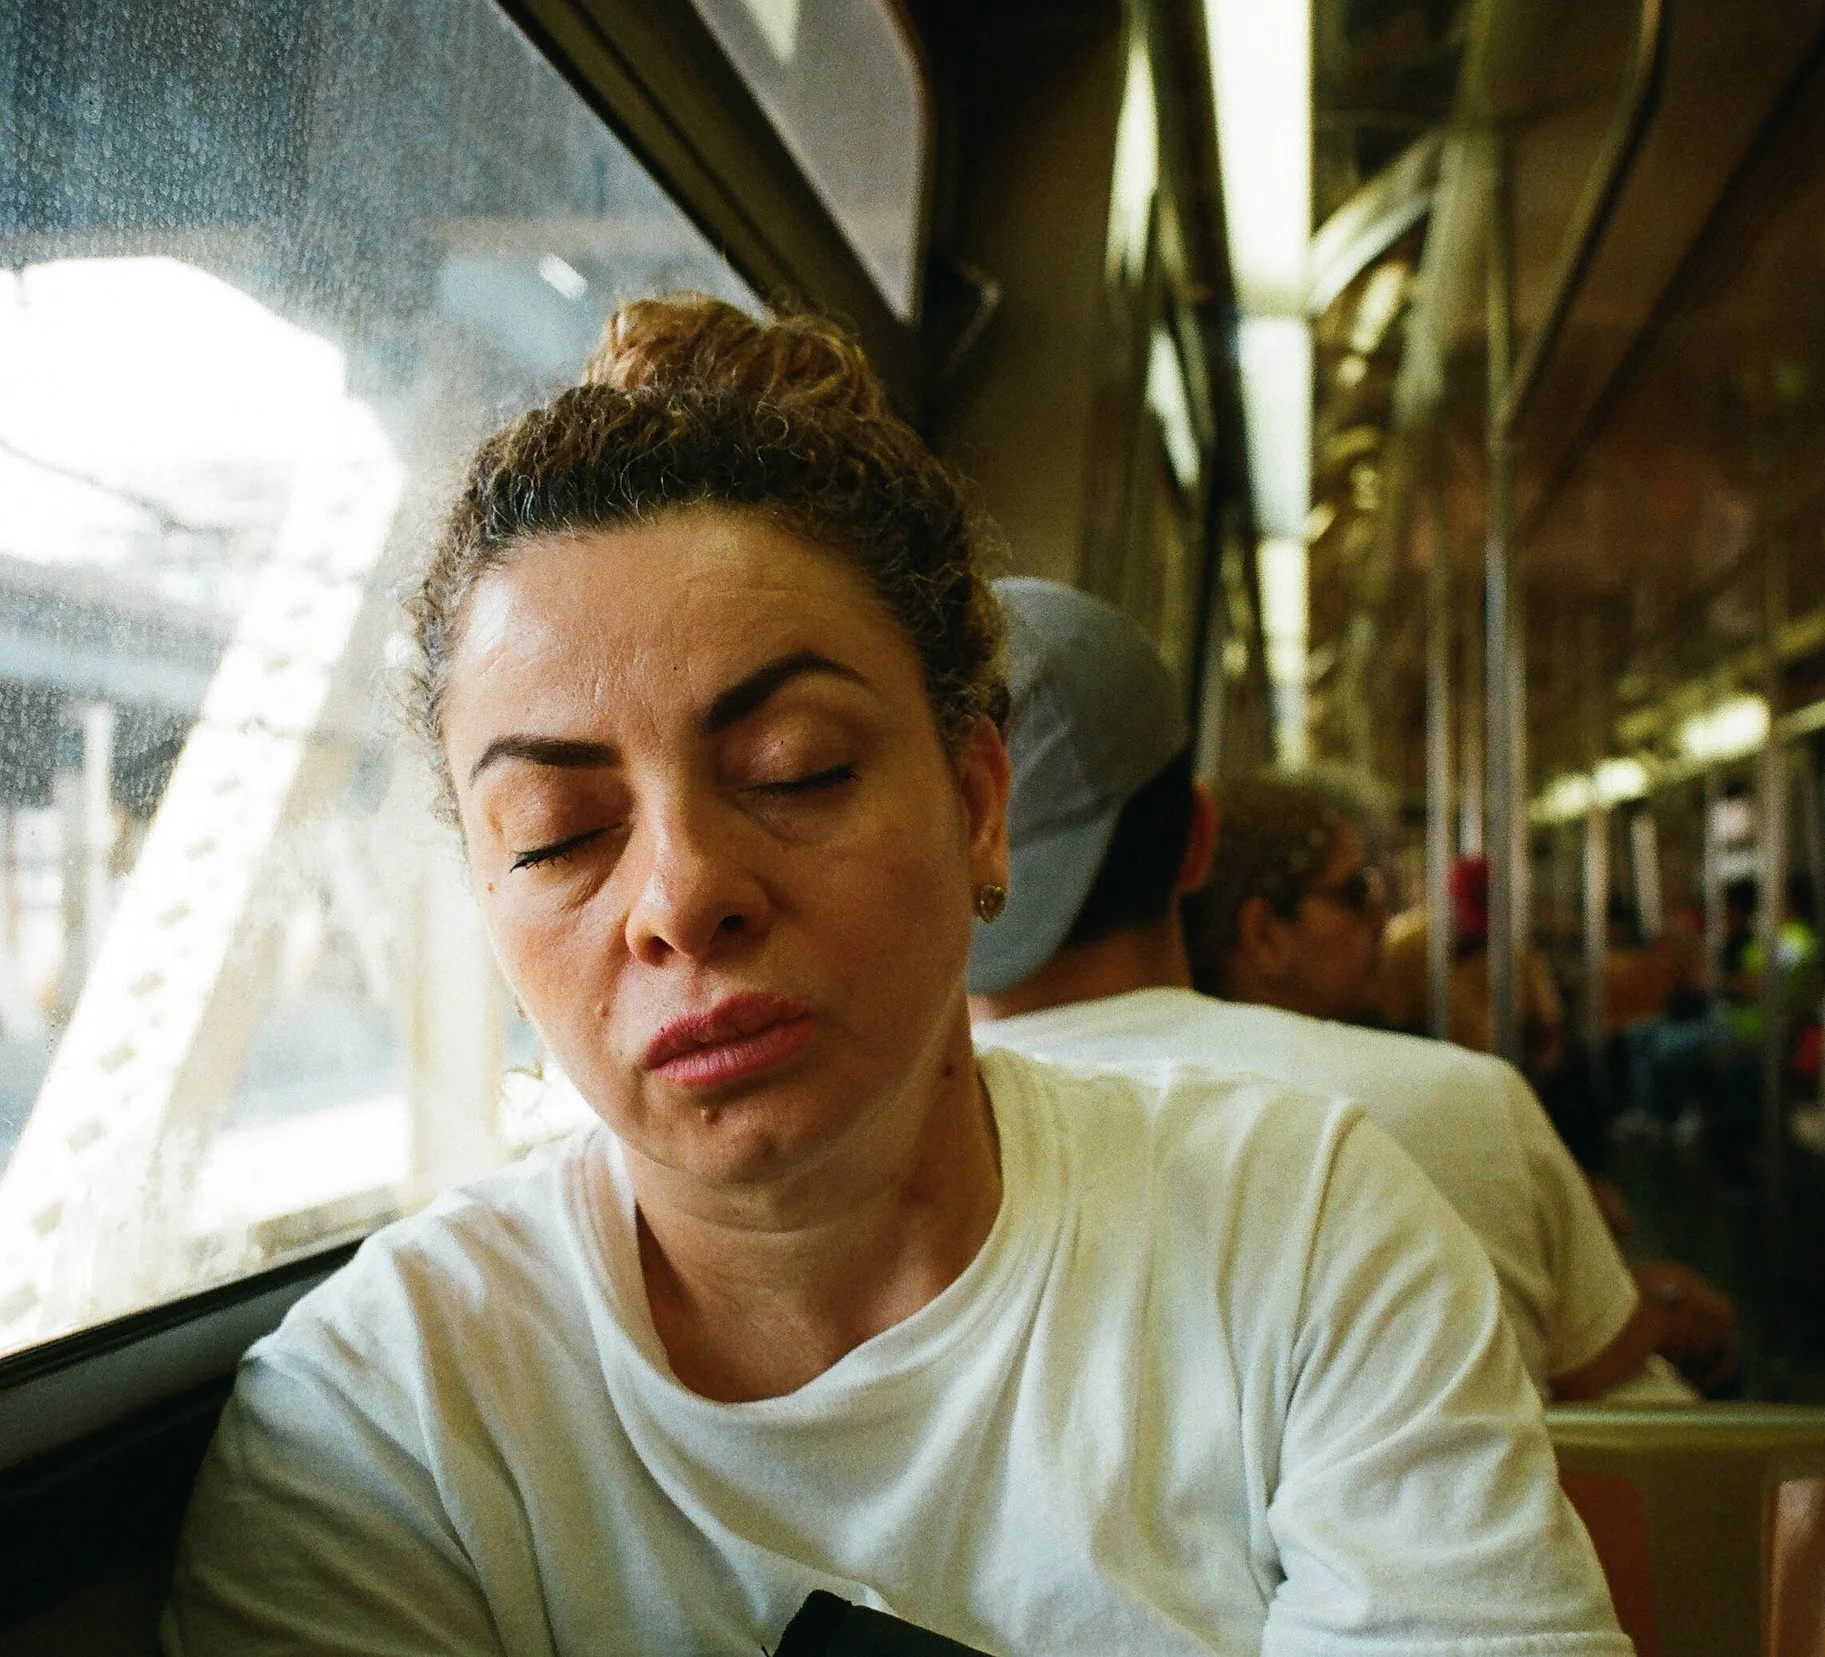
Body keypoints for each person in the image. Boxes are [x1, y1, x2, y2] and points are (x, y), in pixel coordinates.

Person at [162, 300, 1631, 1654]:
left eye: (796, 768)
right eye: (556, 834)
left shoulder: (1293, 1231)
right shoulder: (388, 1419)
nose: (681, 897)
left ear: (979, 805)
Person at [967, 580, 1726, 1399]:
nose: (1381, 915)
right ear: (1198, 840)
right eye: (1356, 891)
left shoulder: (912, 1158)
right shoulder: (1457, 1107)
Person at [1380, 855, 1570, 1078]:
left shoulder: (1515, 955)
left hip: (1497, 1077)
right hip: (1423, 1074)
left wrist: (1522, 1077)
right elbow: (1390, 1028)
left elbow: (1547, 1031)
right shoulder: (1404, 944)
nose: (1473, 935)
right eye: (1465, 921)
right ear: (1445, 902)